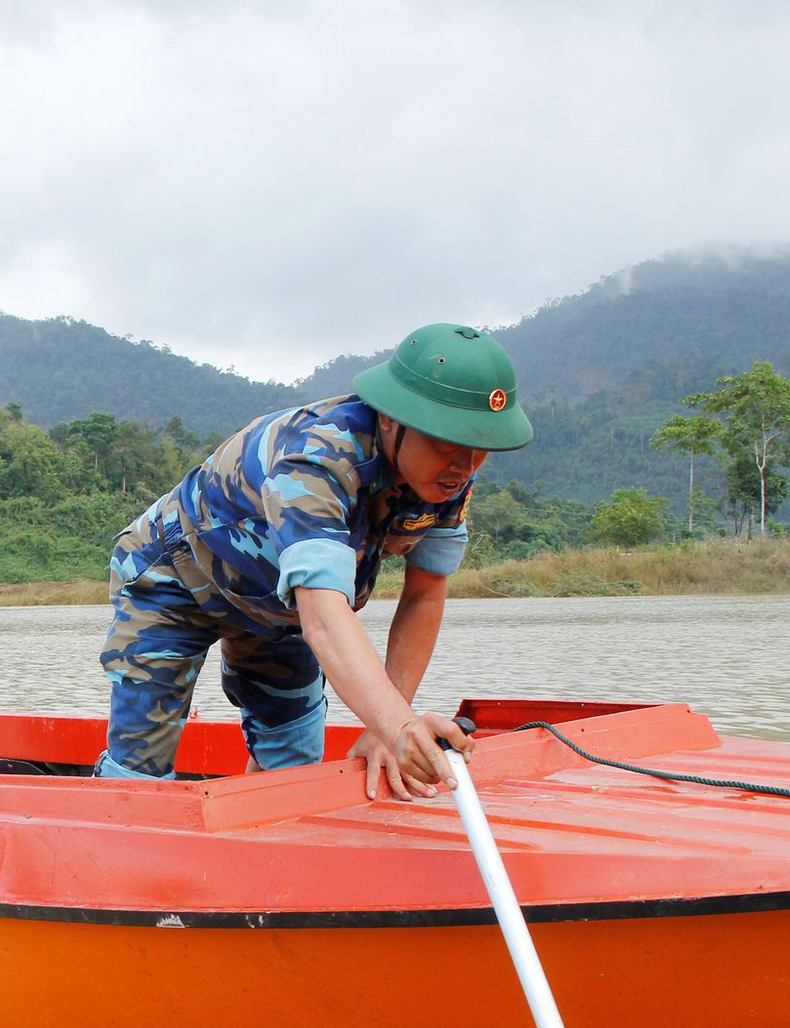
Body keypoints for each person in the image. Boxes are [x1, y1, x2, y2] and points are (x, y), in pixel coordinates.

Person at [97, 322, 533, 800]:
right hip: (175, 584)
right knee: (139, 775)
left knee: (294, 763)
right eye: (447, 445)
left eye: (479, 450)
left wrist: (391, 721)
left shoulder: (447, 479)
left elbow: (425, 594)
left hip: (279, 608)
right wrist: (398, 726)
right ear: (390, 419)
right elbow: (325, 617)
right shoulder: (317, 459)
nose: (465, 467)